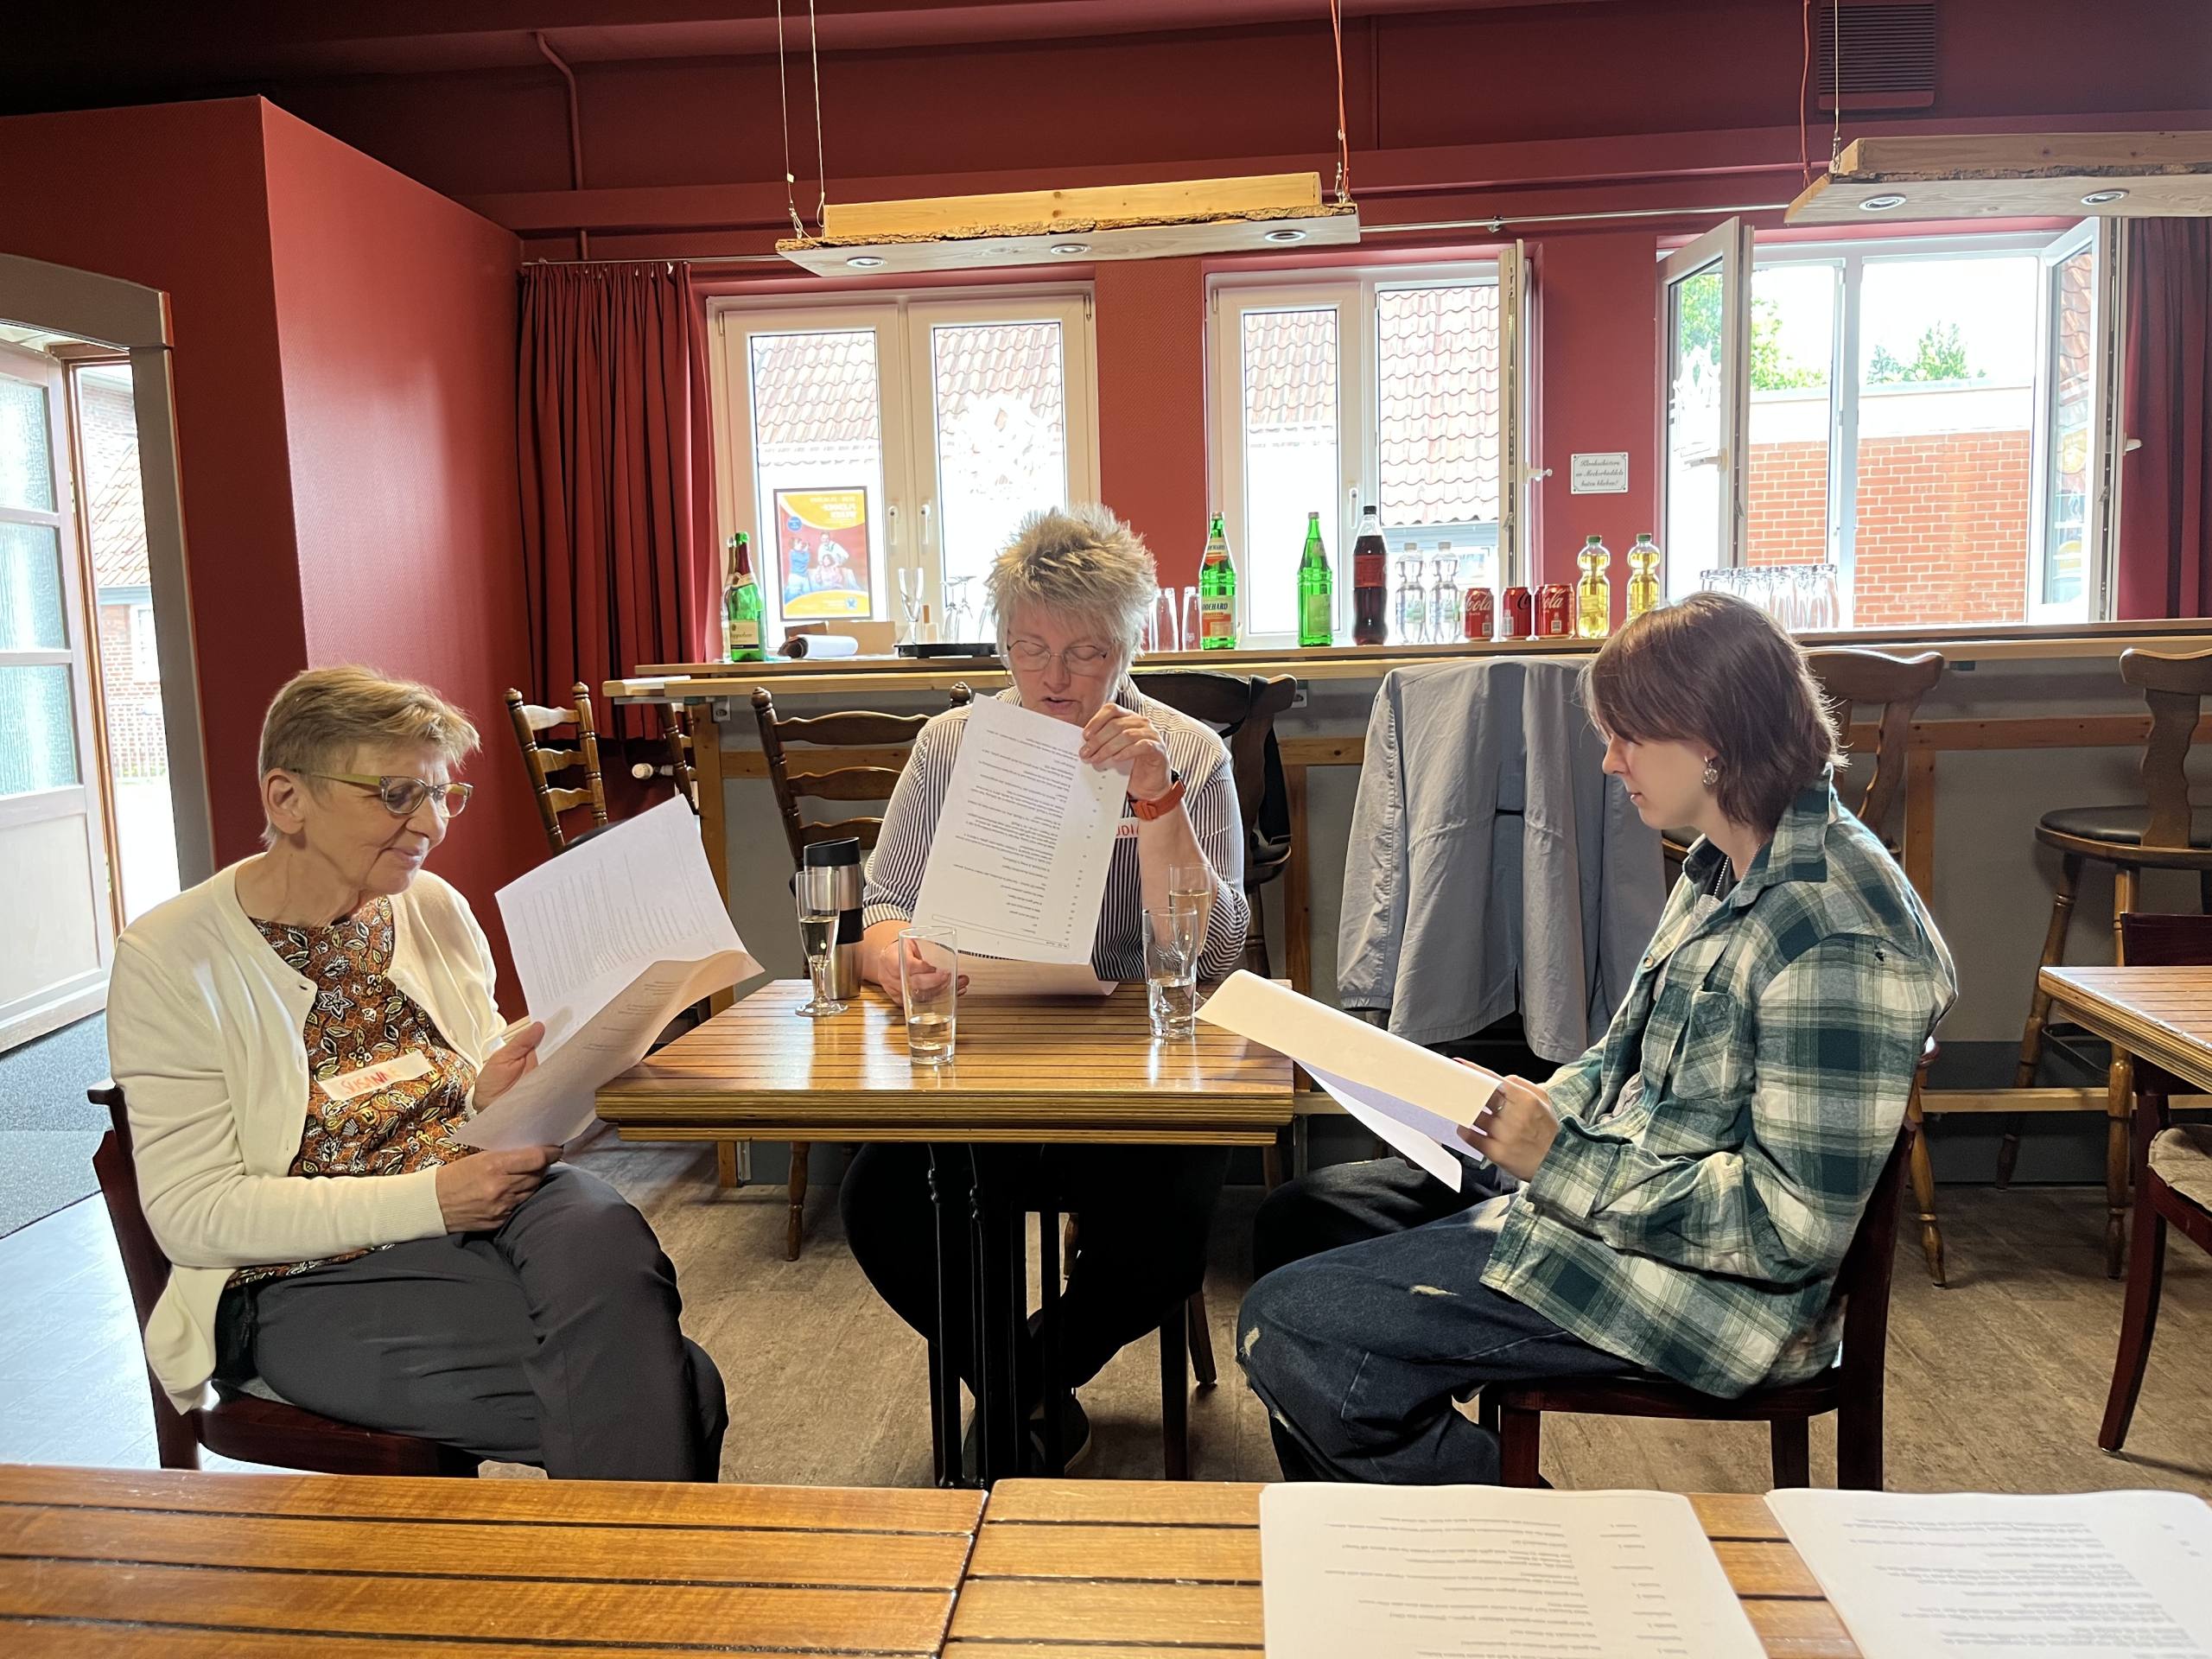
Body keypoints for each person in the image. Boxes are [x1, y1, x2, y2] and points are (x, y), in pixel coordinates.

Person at [1238, 592, 1955, 1484]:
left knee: (1293, 1324)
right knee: (1299, 1220)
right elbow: (1624, 1062)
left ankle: (1553, 1544)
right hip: (1624, 1196)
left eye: (1628, 737)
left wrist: (1559, 1158)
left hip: (1711, 1295)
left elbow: (1786, 1231)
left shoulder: (1836, 935)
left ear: (1713, 739)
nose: (1610, 761)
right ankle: (1382, 1517)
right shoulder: (1723, 858)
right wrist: (1506, 1106)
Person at [106, 667, 726, 1480]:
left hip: (490, 1195)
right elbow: (194, 1215)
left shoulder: (429, 904)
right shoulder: (169, 957)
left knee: (603, 1225)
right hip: (308, 1273)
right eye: (396, 795)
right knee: (685, 1387)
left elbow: (468, 1062)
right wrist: (434, 1200)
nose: (431, 824)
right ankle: (637, 1566)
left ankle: (610, 1565)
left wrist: (493, 1091)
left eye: (441, 795)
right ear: (287, 798)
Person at [840, 503, 1249, 1470]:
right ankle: (1026, 1394)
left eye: (1085, 654)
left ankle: (1019, 1383)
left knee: (1165, 1232)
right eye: (1030, 651)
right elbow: (881, 907)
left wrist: (1154, 797)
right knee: (882, 1206)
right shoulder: (952, 744)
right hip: (981, 1055)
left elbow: (1215, 953)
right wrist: (899, 962)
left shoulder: (1189, 751)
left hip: (1131, 1073)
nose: (1055, 678)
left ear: (1129, 648)